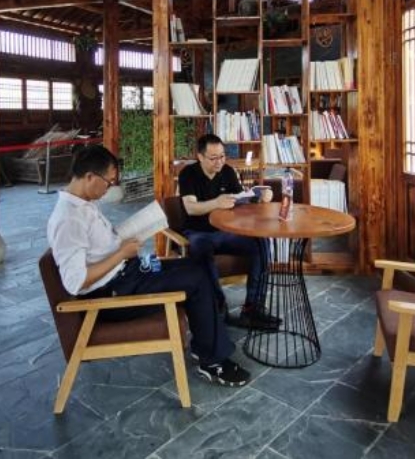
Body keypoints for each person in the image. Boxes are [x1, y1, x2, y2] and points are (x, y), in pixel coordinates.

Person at [47, 144, 250, 387]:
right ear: (90, 176)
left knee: (198, 264)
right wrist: (121, 254)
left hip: (127, 274)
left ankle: (205, 344)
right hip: (114, 293)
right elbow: (76, 282)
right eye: (109, 182)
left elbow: (96, 249)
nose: (109, 188)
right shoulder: (69, 219)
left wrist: (123, 239)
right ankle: (213, 361)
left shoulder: (84, 204)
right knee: (196, 279)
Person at [178, 134, 279, 329]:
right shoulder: (188, 174)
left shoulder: (227, 171)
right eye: (213, 158)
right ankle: (218, 309)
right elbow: (191, 208)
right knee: (200, 249)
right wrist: (216, 203)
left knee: (261, 242)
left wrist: (259, 197)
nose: (219, 162)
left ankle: (253, 309)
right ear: (200, 156)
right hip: (199, 232)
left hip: (227, 231)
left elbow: (240, 199)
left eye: (222, 156)